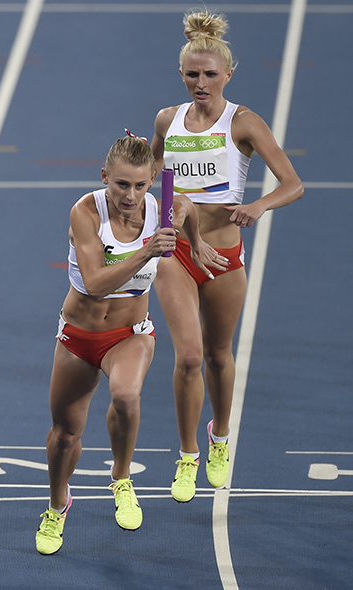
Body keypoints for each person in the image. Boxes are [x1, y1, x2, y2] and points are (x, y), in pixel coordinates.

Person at [35, 135, 223, 555]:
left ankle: (121, 479)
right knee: (65, 435)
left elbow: (189, 213)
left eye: (140, 186)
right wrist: (145, 251)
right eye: (121, 185)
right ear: (105, 178)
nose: (130, 195)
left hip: (130, 333)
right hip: (79, 336)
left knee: (126, 396)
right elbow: (96, 283)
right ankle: (56, 505)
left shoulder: (167, 207)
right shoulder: (85, 212)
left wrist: (196, 242)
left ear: (154, 180)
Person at [151, 10, 303, 503]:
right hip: (175, 251)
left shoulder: (244, 122)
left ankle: (220, 438)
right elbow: (154, 168)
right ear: (181, 74)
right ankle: (188, 455)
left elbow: (294, 184)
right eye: (192, 74)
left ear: (228, 74)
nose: (200, 82)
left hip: (222, 256)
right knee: (189, 356)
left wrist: (258, 206)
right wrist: (126, 167)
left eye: (210, 74)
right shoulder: (166, 120)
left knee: (218, 355)